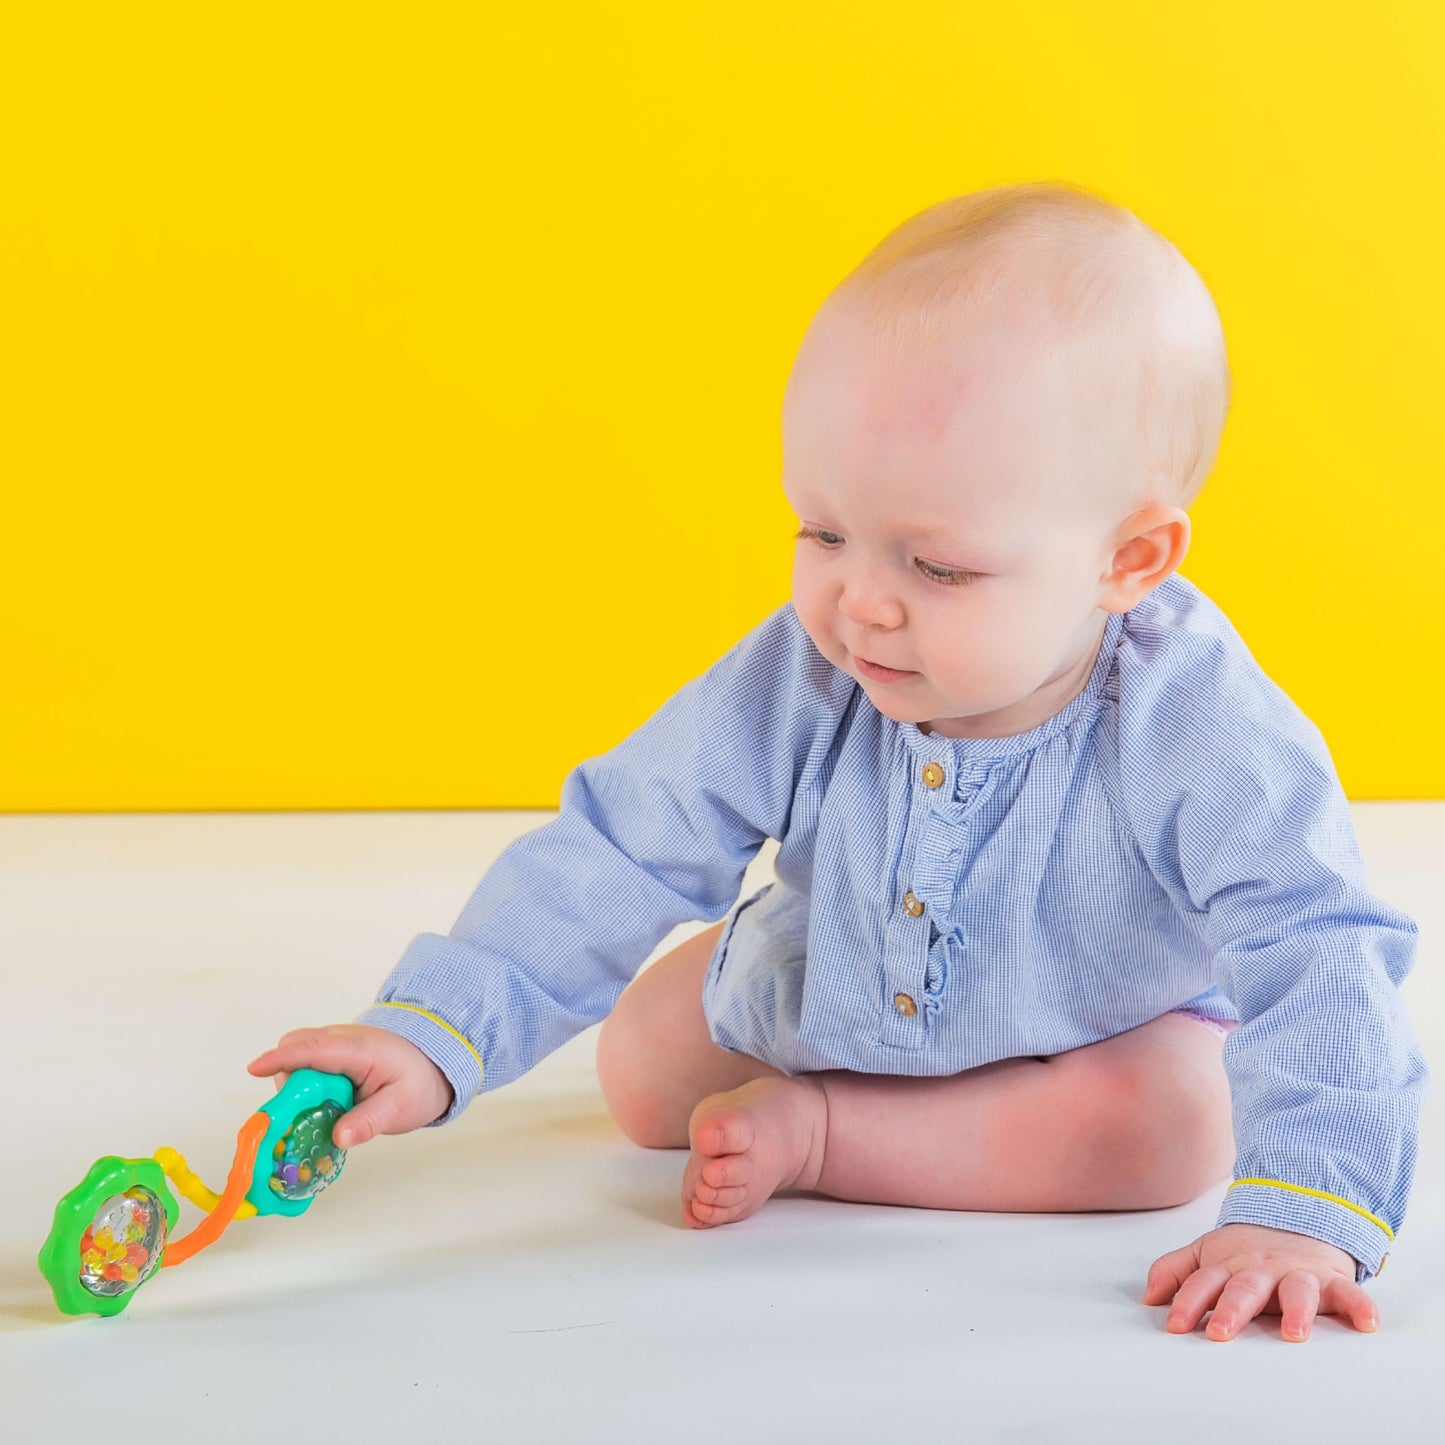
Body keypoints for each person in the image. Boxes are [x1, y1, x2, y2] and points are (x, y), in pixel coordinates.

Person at [249, 179, 1428, 1344]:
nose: (858, 602)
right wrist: (433, 1029)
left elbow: (1311, 937)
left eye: (939, 567)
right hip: (837, 981)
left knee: (1169, 1129)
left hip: (1090, 1033)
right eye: (821, 531)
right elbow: (624, 839)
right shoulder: (806, 668)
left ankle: (826, 1135)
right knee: (643, 1066)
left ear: (1128, 560)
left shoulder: (1192, 718)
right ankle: (802, 1089)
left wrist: (1303, 1208)